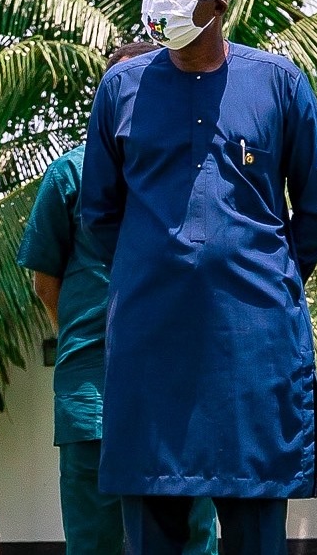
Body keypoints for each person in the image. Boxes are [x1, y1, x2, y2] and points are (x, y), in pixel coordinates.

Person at [77, 0, 317, 555]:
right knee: (154, 527)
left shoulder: (278, 83)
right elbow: (99, 212)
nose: (158, 3)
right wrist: (158, 268)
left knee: (255, 525)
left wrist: (265, 275)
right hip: (150, 343)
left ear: (217, 3)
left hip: (252, 346)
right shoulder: (121, 87)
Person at [21, 42, 217, 555]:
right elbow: (46, 281)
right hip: (95, 394)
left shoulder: (199, 173)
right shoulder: (70, 173)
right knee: (95, 542)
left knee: (192, 541)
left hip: (182, 395)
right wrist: (99, 336)